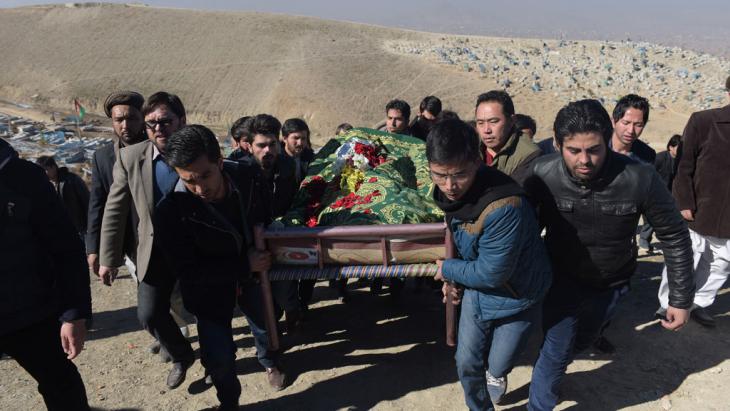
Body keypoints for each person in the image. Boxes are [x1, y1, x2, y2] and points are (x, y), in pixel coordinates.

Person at [524, 99, 694, 410]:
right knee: (555, 346)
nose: (585, 160)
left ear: (608, 141)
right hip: (561, 279)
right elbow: (521, 229)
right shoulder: (541, 174)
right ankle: (541, 402)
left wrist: (680, 299)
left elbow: (673, 235)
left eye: (594, 149)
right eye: (574, 151)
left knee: (585, 338)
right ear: (556, 142)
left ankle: (558, 365)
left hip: (613, 282)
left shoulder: (640, 177)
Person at [156, 125, 286, 409]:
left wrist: (263, 248)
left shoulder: (248, 177)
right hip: (209, 292)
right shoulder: (170, 211)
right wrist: (243, 263)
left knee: (265, 326)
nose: (201, 188)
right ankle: (229, 401)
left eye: (206, 175)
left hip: (254, 277)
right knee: (220, 357)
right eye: (189, 180)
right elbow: (188, 271)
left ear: (220, 161)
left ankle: (269, 364)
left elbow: (264, 216)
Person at [427, 119, 552, 409]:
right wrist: (455, 280)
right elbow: (461, 243)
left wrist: (447, 270)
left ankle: (497, 374)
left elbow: (492, 271)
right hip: (479, 292)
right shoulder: (448, 195)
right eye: (439, 175)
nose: (449, 186)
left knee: (498, 362)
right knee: (467, 362)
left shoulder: (503, 205)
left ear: (477, 161)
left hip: (519, 294)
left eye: (459, 175)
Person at [98, 91, 196, 389]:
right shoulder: (130, 157)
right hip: (154, 252)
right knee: (149, 313)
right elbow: (114, 209)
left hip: (197, 251)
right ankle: (182, 354)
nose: (158, 129)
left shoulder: (200, 150)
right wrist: (107, 258)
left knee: (207, 312)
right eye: (152, 123)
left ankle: (223, 374)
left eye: (165, 121)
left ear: (182, 121)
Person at [0, 138, 92, 410]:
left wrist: (74, 313)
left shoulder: (23, 177)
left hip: (30, 312)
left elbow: (65, 247)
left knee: (61, 386)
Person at [656, 76, 730, 329]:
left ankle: (698, 304)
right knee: (684, 260)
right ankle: (668, 304)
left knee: (720, 266)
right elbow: (683, 166)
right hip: (699, 210)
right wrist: (684, 202)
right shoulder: (704, 121)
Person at [239, 114, 303, 329]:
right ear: (248, 146)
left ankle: (292, 312)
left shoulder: (288, 167)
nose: (268, 150)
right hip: (250, 247)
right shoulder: (238, 172)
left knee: (284, 292)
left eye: (272, 144)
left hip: (280, 240)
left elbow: (294, 201)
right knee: (261, 306)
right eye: (261, 145)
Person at [86, 91, 146, 278]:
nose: (125, 125)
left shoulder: (156, 149)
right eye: (119, 120)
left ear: (142, 119)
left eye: (132, 118)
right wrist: (94, 248)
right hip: (128, 244)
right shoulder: (102, 157)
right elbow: (98, 203)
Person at [475, 91, 541, 185]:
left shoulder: (528, 154)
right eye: (480, 123)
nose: (486, 130)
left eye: (493, 121)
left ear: (511, 121)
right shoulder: (469, 147)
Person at [640, 134, 681, 252]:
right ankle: (643, 241)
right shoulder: (660, 158)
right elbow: (648, 172)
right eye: (679, 147)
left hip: (669, 195)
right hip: (653, 193)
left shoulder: (680, 161)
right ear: (671, 147)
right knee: (652, 219)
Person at [36, 155, 89, 239]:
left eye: (45, 170)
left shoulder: (72, 180)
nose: (43, 173)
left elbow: (87, 202)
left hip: (79, 229)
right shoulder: (44, 186)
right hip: (60, 231)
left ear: (53, 167)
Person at [609, 94, 656, 164]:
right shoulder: (597, 148)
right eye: (625, 123)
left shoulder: (647, 156)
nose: (631, 131)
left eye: (638, 125)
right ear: (613, 122)